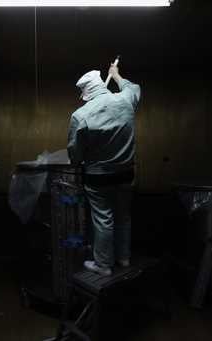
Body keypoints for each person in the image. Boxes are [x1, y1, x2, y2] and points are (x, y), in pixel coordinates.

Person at [67, 64, 141, 276]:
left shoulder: (81, 115)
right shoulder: (125, 99)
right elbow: (134, 87)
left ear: (86, 93)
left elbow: (75, 154)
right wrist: (117, 76)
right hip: (126, 173)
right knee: (123, 216)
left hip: (98, 178)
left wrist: (80, 161)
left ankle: (103, 264)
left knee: (103, 219)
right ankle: (124, 258)